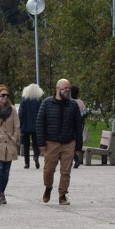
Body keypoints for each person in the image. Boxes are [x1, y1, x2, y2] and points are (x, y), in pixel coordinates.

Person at [36, 78, 83, 206]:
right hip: (51, 142)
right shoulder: (46, 103)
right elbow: (40, 124)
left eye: (69, 88)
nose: (68, 90)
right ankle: (48, 187)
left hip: (68, 142)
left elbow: (79, 125)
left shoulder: (73, 105)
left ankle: (62, 195)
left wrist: (78, 144)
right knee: (49, 169)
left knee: (66, 170)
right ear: (58, 89)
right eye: (65, 88)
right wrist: (41, 142)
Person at [17, 83, 43, 169]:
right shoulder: (40, 101)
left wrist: (20, 125)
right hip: (36, 127)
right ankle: (36, 156)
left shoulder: (24, 101)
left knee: (26, 145)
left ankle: (27, 163)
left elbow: (20, 114)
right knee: (36, 144)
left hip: (25, 126)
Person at [69, 85, 89, 168]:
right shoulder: (80, 102)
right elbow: (85, 113)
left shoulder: (69, 102)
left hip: (71, 126)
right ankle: (75, 159)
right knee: (75, 143)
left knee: (70, 144)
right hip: (80, 126)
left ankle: (75, 159)